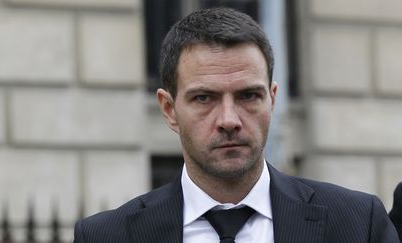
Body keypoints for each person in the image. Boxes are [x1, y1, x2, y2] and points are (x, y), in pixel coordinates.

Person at [73, 8, 399, 243]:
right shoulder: (108, 235)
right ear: (169, 109)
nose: (229, 120)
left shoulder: (357, 224)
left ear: (272, 100)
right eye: (204, 98)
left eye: (248, 95)